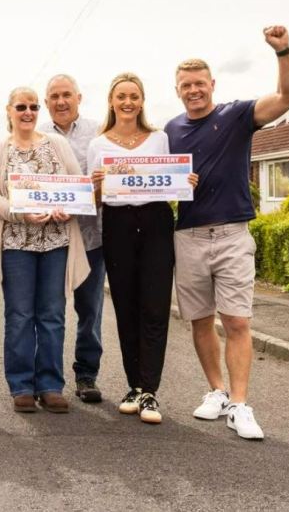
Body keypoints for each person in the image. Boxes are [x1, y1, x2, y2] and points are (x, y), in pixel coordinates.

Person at [164, 25, 289, 440]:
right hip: (187, 235)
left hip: (232, 234)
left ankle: (240, 404)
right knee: (200, 321)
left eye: (199, 84)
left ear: (212, 85)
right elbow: (150, 178)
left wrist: (284, 51)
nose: (194, 91)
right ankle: (216, 391)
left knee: (237, 321)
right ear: (178, 90)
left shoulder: (237, 114)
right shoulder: (169, 130)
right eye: (186, 85)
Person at [88, 73, 196, 424]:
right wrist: (98, 188)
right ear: (111, 101)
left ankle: (150, 391)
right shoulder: (98, 144)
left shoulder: (159, 138)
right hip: (118, 226)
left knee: (154, 307)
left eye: (134, 96)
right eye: (121, 96)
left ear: (142, 100)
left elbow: (168, 184)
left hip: (155, 225)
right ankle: (134, 386)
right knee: (125, 307)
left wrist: (184, 181)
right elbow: (96, 202)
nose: (128, 102)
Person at [0, 87, 90, 414]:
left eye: (32, 106)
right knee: (19, 316)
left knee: (52, 315)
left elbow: (78, 185)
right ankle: (21, 385)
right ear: (9, 110)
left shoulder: (56, 145)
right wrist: (19, 211)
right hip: (17, 244)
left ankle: (50, 384)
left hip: (56, 242)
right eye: (21, 106)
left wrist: (69, 209)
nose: (28, 112)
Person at [40, 74, 107, 403]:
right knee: (49, 312)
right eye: (54, 96)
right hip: (50, 238)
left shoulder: (100, 131)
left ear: (79, 97)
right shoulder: (36, 136)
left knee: (90, 310)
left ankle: (86, 375)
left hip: (91, 236)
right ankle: (47, 380)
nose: (61, 101)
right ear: (46, 102)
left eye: (67, 95)